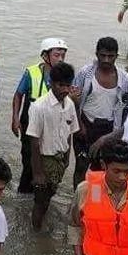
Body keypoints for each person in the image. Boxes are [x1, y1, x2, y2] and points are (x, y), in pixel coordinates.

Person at [71, 37, 128, 187]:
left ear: (116, 56)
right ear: (96, 54)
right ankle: (78, 200)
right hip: (85, 125)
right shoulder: (85, 74)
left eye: (110, 56)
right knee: (81, 166)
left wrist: (111, 137)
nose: (106, 60)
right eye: (103, 55)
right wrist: (79, 125)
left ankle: (99, 200)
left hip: (110, 130)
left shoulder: (126, 81)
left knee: (102, 169)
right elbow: (73, 101)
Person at [26, 61, 79, 230]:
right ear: (51, 83)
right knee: (40, 199)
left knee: (50, 193)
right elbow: (34, 142)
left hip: (60, 159)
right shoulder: (39, 107)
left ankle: (40, 224)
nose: (64, 89)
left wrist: (67, 158)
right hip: (45, 159)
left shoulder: (69, 104)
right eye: (60, 85)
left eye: (67, 85)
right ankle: (36, 233)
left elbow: (70, 132)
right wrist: (38, 172)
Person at [12, 37, 65, 193]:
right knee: (28, 162)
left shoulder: (65, 74)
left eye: (63, 55)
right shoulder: (31, 72)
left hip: (53, 124)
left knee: (50, 160)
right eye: (57, 55)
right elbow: (18, 95)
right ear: (45, 55)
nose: (61, 59)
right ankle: (23, 195)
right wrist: (15, 119)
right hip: (30, 123)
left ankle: (42, 192)